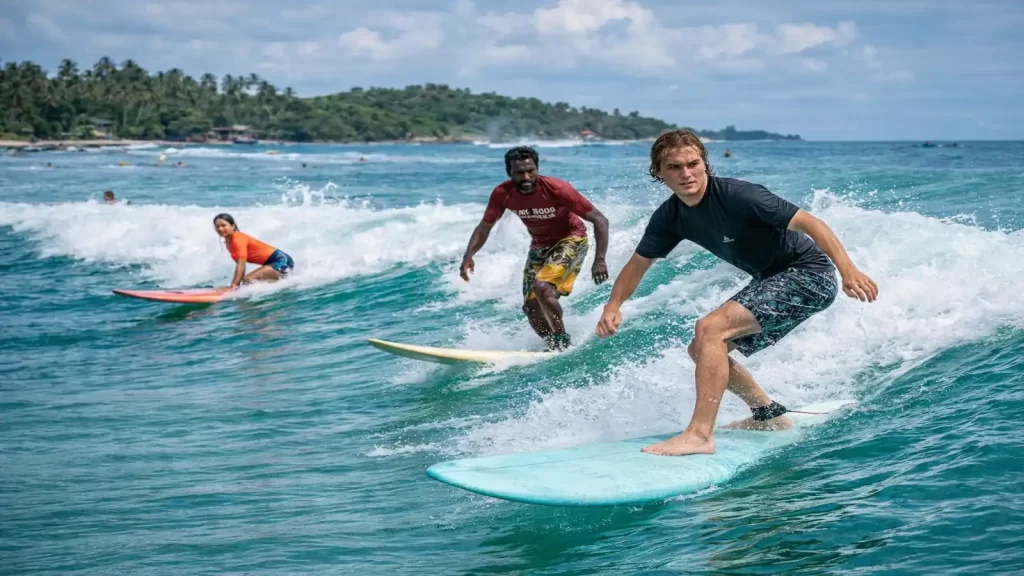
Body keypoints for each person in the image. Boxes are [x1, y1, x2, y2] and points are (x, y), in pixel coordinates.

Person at [595, 130, 878, 456]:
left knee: (710, 328)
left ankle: (700, 435)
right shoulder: (669, 216)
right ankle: (767, 415)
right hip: (772, 279)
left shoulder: (740, 196)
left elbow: (812, 224)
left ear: (705, 164)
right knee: (701, 348)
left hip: (809, 275)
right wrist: (614, 304)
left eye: (693, 164)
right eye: (674, 167)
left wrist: (849, 271)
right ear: (659, 173)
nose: (686, 174)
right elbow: (637, 264)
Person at [460, 146, 610, 351]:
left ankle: (561, 338)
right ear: (509, 173)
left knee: (542, 287)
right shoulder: (503, 193)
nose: (526, 176)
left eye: (531, 170)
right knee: (531, 308)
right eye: (519, 173)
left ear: (537, 168)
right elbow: (485, 225)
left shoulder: (557, 188)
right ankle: (553, 346)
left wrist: (599, 260)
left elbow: (600, 220)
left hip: (571, 238)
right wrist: (469, 255)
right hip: (539, 246)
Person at [213, 213, 295, 288]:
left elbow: (241, 265)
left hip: (282, 261)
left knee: (248, 279)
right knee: (247, 281)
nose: (220, 228)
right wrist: (236, 285)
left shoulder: (237, 238)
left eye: (224, 225)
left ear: (233, 226)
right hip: (271, 263)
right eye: (217, 226)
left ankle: (287, 284)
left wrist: (233, 287)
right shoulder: (228, 242)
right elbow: (240, 266)